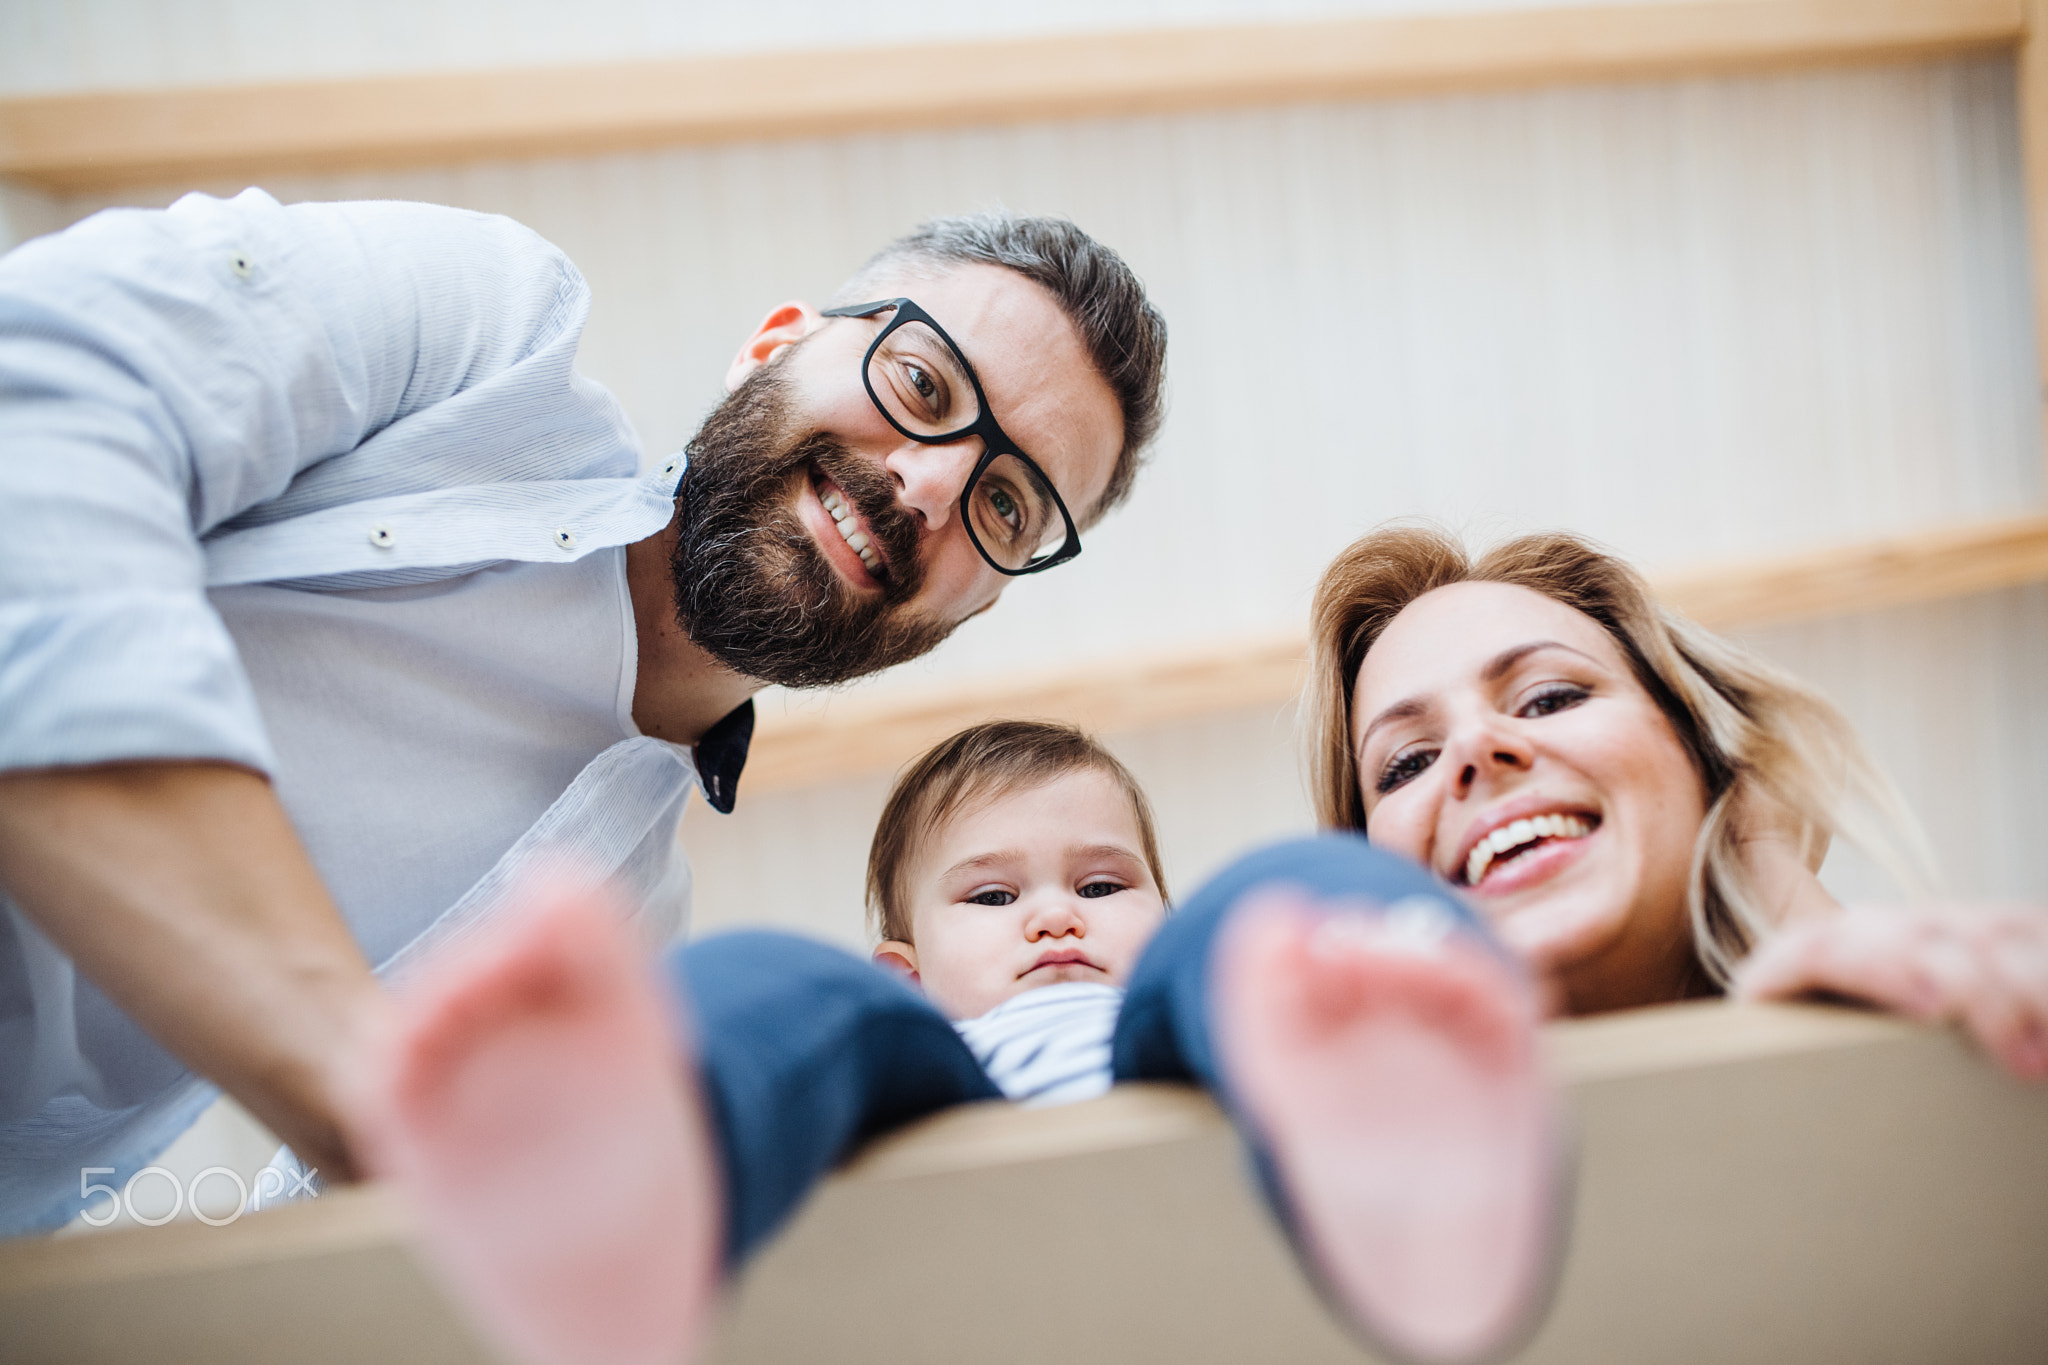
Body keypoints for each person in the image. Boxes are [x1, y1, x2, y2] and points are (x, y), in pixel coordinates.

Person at [0, 191, 1167, 1233]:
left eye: (1006, 508)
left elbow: (380, 1255)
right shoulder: (477, 336)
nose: (929, 487)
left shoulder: (621, 940)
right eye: (922, 385)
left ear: (978, 605)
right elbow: (38, 393)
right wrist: (352, 1083)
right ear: (777, 343)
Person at [351, 721, 1564, 1365]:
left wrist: (1256, 960)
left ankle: (1398, 1101)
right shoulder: (916, 1027)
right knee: (791, 983)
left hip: (1187, 1067)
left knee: (1271, 905)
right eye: (988, 899)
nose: (1051, 915)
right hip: (955, 1106)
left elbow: (1207, 936)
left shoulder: (1192, 985)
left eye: (1103, 881)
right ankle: (638, 1164)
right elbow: (864, 1012)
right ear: (917, 968)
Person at [1304, 522, 2048, 1076]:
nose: (1473, 750)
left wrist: (1766, 866)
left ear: (1707, 758)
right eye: (1407, 765)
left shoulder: (1998, 1008)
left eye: (1548, 697)